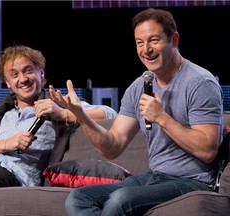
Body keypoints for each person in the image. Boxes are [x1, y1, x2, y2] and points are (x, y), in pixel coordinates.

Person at [49, 8, 223, 216]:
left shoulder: (200, 82)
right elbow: (113, 145)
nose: (146, 49)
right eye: (140, 43)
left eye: (154, 40)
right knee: (79, 198)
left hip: (193, 181)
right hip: (155, 177)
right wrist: (81, 115)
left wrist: (161, 117)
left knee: (120, 200)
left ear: (174, 40)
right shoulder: (139, 86)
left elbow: (208, 150)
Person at [0, 44, 117, 216]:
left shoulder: (57, 106)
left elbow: (109, 114)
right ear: (8, 83)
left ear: (41, 73)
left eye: (28, 70)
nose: (23, 79)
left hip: (17, 176)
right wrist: (6, 144)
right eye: (14, 74)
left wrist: (63, 113)